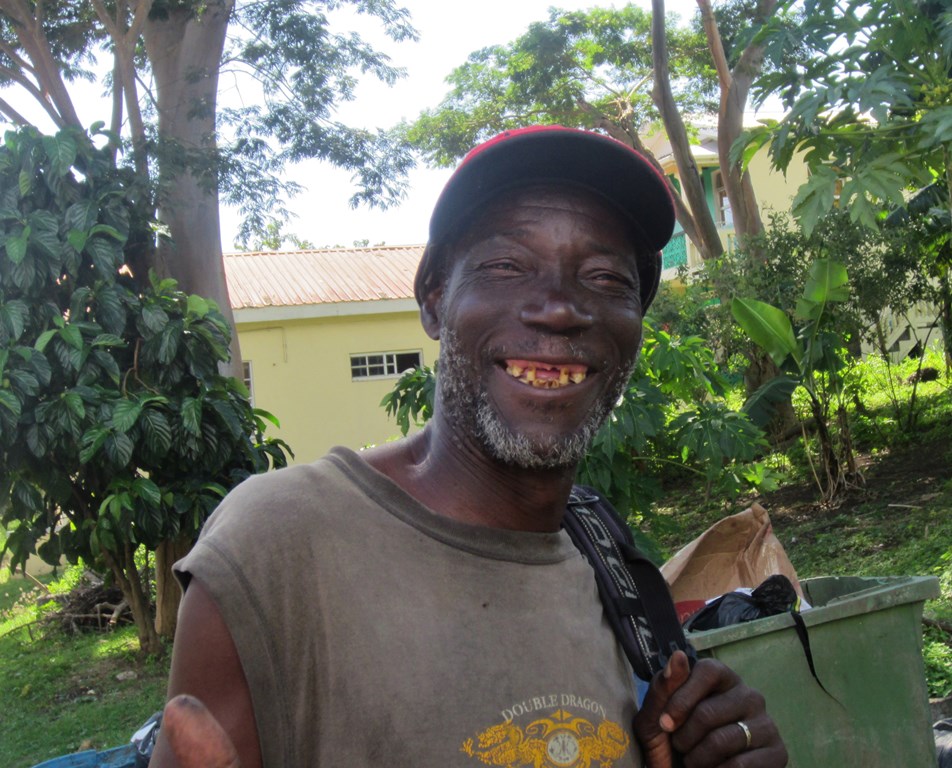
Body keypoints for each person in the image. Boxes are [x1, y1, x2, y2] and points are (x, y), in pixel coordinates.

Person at [150, 125, 788, 768]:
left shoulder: (606, 557)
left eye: (604, 277)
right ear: (434, 298)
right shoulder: (279, 542)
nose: (560, 309)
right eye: (507, 266)